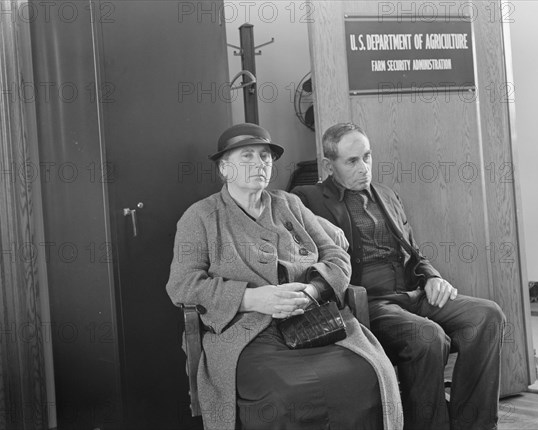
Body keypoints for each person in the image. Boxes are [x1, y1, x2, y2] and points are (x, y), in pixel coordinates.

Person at [166, 123, 403, 430]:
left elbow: (336, 256)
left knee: (368, 373)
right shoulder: (200, 217)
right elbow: (182, 285)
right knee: (285, 394)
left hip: (315, 323)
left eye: (265, 156)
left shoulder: (288, 204)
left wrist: (313, 291)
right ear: (224, 168)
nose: (259, 164)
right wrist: (252, 298)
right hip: (248, 333)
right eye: (247, 156)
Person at [292, 123, 506, 430]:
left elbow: (414, 252)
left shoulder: (387, 195)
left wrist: (432, 277)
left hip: (412, 294)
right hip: (368, 303)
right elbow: (302, 247)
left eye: (367, 157)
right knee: (428, 336)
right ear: (329, 165)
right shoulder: (308, 198)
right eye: (352, 161)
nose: (363, 167)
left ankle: (474, 423)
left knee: (487, 315)